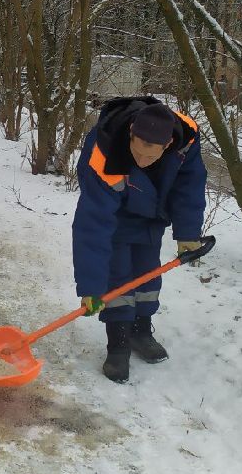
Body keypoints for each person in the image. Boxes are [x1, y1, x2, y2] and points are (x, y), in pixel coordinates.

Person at [72, 96, 207, 383]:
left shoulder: (186, 143)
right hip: (115, 216)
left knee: (147, 275)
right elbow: (92, 225)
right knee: (118, 275)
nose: (143, 160)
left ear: (167, 144)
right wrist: (90, 288)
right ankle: (118, 343)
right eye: (138, 151)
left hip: (151, 214)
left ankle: (141, 330)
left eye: (152, 155)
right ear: (131, 131)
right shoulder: (104, 153)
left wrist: (188, 233)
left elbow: (189, 187)